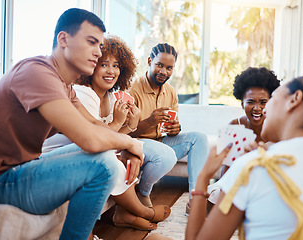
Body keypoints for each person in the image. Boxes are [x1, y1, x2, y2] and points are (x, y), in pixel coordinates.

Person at [0, 8, 145, 240]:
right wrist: (130, 143)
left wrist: (127, 141)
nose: (98, 52)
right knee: (102, 166)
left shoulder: (64, 86)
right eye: (91, 42)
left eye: (100, 45)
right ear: (64, 39)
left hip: (21, 169)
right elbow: (88, 138)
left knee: (105, 155)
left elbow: (96, 128)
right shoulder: (36, 72)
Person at [185, 74, 303, 239]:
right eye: (251, 102)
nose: (263, 109)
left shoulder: (253, 167)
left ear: (294, 99)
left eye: (271, 98)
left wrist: (203, 177)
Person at [42, 34, 171, 230]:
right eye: (104, 65)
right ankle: (142, 211)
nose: (111, 71)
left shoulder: (110, 97)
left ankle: (123, 214)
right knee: (111, 159)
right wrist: (122, 128)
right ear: (91, 66)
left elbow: (113, 135)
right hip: (59, 153)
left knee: (124, 157)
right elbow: (95, 138)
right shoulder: (83, 93)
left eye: (116, 65)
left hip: (86, 150)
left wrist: (130, 127)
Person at [129, 43, 209, 214]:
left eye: (169, 68)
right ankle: (143, 191)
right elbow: (125, 133)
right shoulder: (133, 89)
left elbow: (172, 127)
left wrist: (175, 129)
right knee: (165, 154)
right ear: (150, 61)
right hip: (137, 143)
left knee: (199, 138)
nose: (164, 72)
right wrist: (150, 121)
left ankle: (195, 200)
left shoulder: (170, 92)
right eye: (159, 65)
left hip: (160, 141)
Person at [207, 67, 280, 208]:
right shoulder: (234, 126)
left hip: (268, 184)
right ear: (242, 104)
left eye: (263, 102)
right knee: (210, 200)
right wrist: (223, 190)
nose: (257, 108)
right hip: (237, 182)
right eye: (251, 102)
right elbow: (226, 168)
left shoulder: (277, 128)